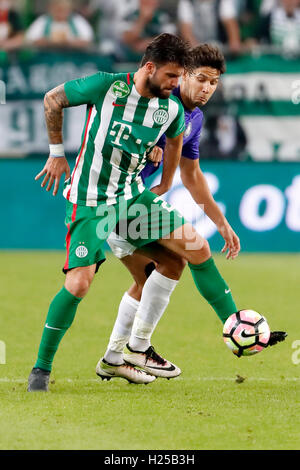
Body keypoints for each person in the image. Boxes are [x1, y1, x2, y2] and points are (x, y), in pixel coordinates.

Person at [100, 44, 287, 380]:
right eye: (201, 79)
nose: (207, 88)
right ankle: (229, 324)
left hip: (128, 202)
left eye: (213, 83)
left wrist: (222, 223)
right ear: (182, 74)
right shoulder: (158, 104)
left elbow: (192, 176)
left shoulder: (194, 118)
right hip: (115, 197)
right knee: (197, 248)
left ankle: (114, 357)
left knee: (160, 272)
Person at [27, 33, 192, 391]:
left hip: (132, 198)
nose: (175, 83)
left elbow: (176, 135)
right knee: (79, 283)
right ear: (148, 67)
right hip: (91, 200)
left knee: (181, 258)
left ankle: (127, 355)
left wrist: (162, 174)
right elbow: (52, 99)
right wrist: (57, 152)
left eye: (179, 77)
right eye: (169, 75)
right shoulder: (107, 87)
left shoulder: (169, 107)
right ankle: (41, 369)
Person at [25, 0, 94, 51]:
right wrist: (50, 42)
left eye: (63, 10)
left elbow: (87, 41)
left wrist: (68, 42)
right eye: (58, 10)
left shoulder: (77, 20)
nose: (60, 13)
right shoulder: (43, 20)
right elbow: (31, 40)